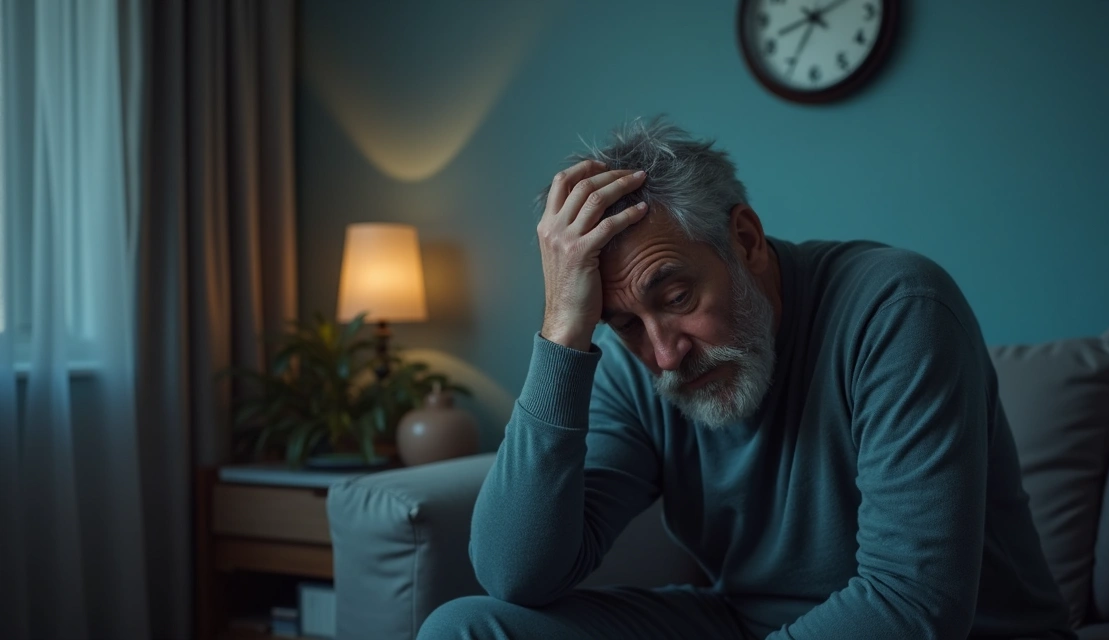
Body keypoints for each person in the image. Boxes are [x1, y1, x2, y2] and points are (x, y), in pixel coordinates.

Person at [417, 118, 1074, 639]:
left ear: (747, 239)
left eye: (676, 297)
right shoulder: (638, 363)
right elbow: (515, 574)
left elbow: (912, 607)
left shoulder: (898, 307)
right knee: (467, 628)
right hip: (742, 623)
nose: (665, 355)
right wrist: (563, 333)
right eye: (622, 323)